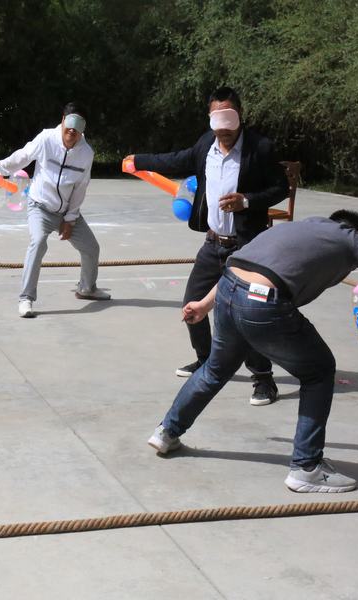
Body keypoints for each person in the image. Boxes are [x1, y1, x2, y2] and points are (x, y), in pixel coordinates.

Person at [147, 210, 358, 493]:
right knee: (319, 371)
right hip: (261, 302)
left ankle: (167, 431)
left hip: (228, 289)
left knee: (215, 368)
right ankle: (307, 468)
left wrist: (203, 305)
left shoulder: (296, 228)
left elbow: (243, 268)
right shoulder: (348, 239)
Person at [125, 87, 288, 406]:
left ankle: (263, 378)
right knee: (192, 303)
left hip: (246, 247)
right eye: (217, 120)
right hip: (213, 244)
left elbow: (281, 187)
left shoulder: (260, 148)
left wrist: (247, 201)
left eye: (229, 119)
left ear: (240, 116)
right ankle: (205, 359)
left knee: (247, 312)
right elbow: (176, 159)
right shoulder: (205, 145)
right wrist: (138, 160)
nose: (223, 129)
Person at [0, 102, 110, 318]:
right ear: (63, 120)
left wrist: (70, 219)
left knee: (91, 248)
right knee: (38, 243)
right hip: (40, 207)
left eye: (78, 126)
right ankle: (26, 298)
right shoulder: (47, 139)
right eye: (70, 123)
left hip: (66, 211)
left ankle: (87, 288)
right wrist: (0, 168)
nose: (72, 131)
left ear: (83, 129)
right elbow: (23, 156)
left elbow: (80, 188)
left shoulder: (86, 153)